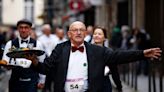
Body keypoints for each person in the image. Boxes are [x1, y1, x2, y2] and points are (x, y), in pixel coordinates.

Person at [27, 21, 161, 92]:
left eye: (82, 30)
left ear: (85, 34)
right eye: (75, 30)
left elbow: (118, 56)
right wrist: (35, 62)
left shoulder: (96, 50)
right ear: (69, 34)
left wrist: (142, 54)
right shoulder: (60, 49)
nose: (78, 32)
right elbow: (46, 68)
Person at [2, 19, 46, 92]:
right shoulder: (10, 44)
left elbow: (42, 64)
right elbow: (5, 61)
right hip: (15, 81)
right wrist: (7, 66)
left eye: (26, 27)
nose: (23, 30)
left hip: (32, 81)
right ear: (18, 29)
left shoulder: (38, 44)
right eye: (21, 27)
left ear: (30, 29)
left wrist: (42, 80)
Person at [92, 26, 122, 92]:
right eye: (95, 34)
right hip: (91, 84)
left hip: (104, 84)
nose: (96, 35)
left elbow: (114, 71)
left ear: (104, 38)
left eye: (99, 34)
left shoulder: (109, 52)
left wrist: (119, 86)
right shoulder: (88, 50)